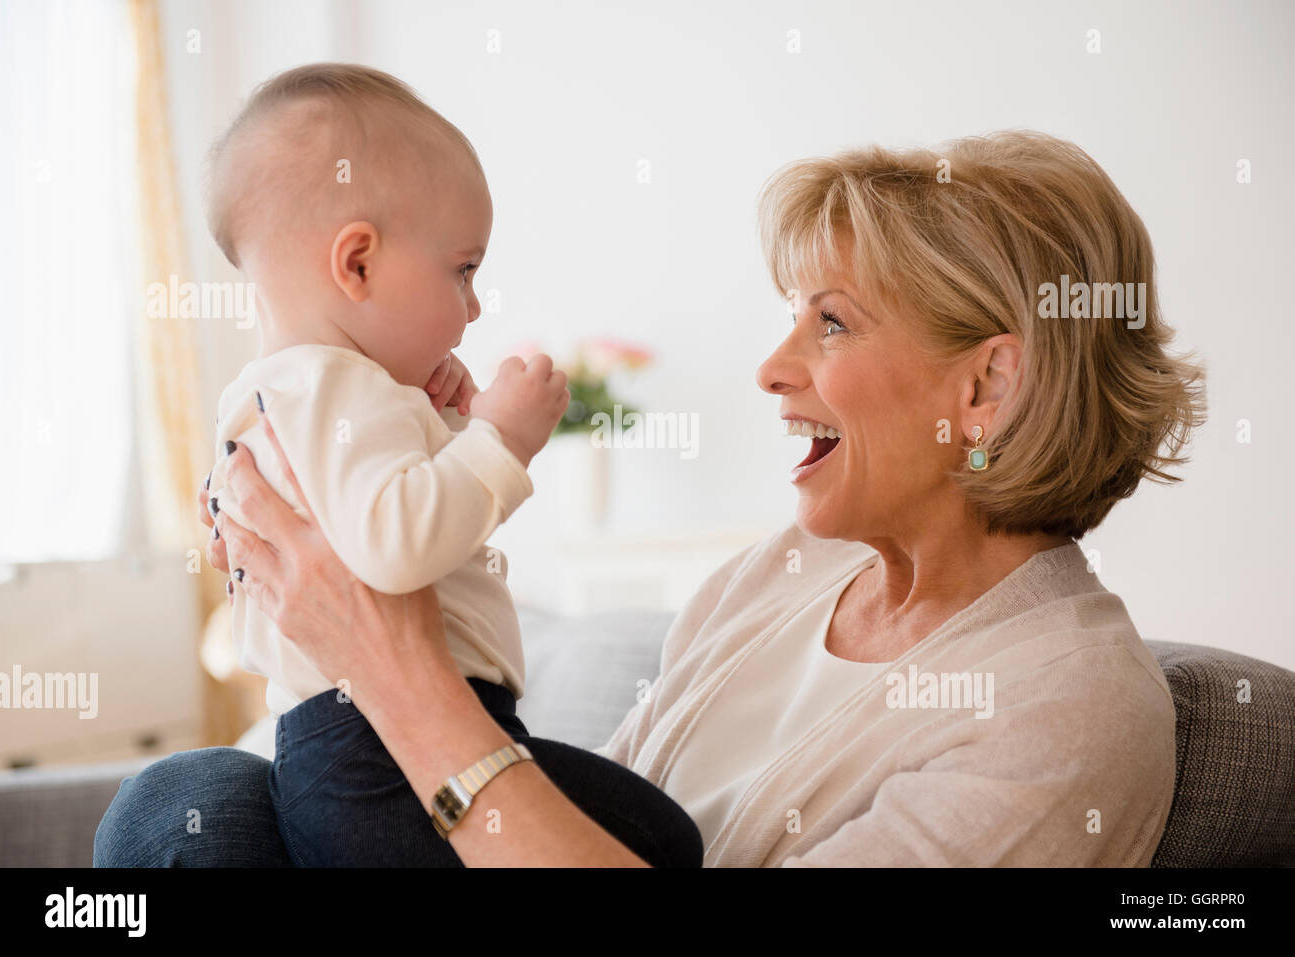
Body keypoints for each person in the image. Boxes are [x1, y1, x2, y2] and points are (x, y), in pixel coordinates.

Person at [96, 129, 1205, 867]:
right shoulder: (781, 574)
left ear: (985, 384)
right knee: (190, 800)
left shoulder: (1064, 707)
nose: (772, 369)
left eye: (830, 321)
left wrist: (390, 663)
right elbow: (560, 815)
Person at [176, 61, 701, 867]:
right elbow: (395, 546)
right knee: (664, 836)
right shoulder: (334, 389)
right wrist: (500, 438)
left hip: (349, 748)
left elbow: (368, 527)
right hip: (377, 751)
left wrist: (444, 423)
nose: (475, 305)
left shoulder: (281, 397)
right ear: (356, 264)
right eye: (463, 268)